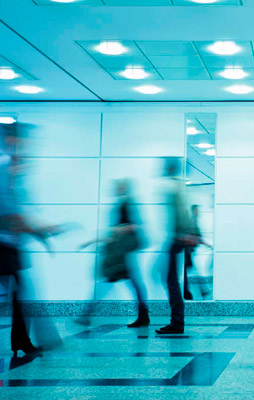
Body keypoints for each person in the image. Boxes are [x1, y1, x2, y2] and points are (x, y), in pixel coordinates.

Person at [0, 122, 62, 357]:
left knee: (22, 291)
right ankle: (28, 340)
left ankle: (23, 341)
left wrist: (42, 232)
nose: (28, 146)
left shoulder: (14, 173)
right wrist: (42, 232)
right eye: (24, 140)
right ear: (12, 140)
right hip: (3, 244)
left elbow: (18, 215)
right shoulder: (4, 171)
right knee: (23, 290)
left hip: (10, 244)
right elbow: (11, 216)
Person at [78, 179, 149, 328]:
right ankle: (143, 316)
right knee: (126, 283)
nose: (115, 189)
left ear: (123, 188)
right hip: (119, 253)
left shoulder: (126, 204)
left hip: (121, 254)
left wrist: (117, 230)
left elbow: (134, 226)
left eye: (118, 187)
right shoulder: (123, 204)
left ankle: (86, 315)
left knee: (110, 282)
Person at [156, 158, 199, 335]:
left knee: (171, 281)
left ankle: (177, 322)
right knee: (170, 279)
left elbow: (181, 213)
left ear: (170, 168)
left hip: (176, 238)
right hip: (177, 237)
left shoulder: (174, 187)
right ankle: (177, 321)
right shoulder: (177, 186)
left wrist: (182, 234)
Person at [183, 205, 211, 300]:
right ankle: (192, 292)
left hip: (189, 251)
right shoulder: (192, 222)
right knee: (189, 272)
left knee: (189, 272)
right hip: (187, 252)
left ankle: (189, 293)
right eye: (197, 210)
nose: (199, 212)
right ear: (194, 211)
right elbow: (196, 238)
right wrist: (208, 245)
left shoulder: (193, 221)